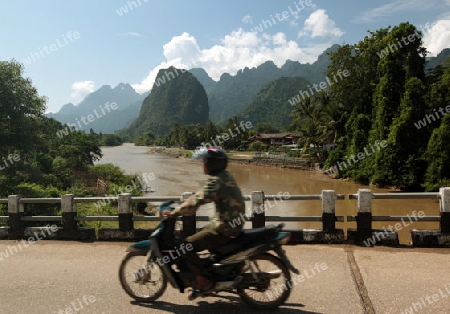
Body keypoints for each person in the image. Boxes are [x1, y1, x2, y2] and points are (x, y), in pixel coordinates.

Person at [162, 147, 245, 299]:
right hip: (230, 224)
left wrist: (174, 212)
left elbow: (197, 200)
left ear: (213, 164)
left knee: (184, 246)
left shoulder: (217, 182)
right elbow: (201, 195)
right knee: (201, 234)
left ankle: (203, 281)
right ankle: (210, 271)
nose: (202, 165)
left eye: (205, 162)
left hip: (224, 228)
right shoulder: (225, 176)